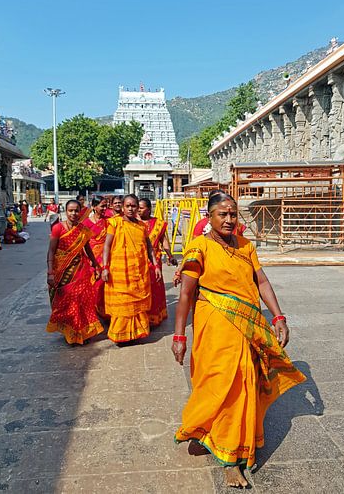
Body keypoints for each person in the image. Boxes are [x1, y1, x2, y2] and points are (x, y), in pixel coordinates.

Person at [172, 192, 306, 487]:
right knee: (217, 385)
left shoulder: (246, 246)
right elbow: (185, 295)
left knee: (243, 385)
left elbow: (262, 282)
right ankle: (214, 442)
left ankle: (228, 450)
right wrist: (179, 335)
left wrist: (278, 316)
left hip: (247, 329)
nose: (230, 219)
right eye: (223, 214)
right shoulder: (199, 247)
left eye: (233, 214)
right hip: (214, 330)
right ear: (210, 217)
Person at [101, 194, 162, 343]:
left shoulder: (141, 226)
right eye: (127, 206)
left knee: (136, 304)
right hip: (119, 271)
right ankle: (120, 335)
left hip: (139, 271)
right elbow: (107, 246)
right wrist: (105, 267)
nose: (130, 209)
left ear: (137, 208)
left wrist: (155, 265)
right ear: (122, 206)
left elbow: (148, 247)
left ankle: (135, 333)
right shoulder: (114, 223)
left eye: (133, 206)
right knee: (122, 303)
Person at [46, 200, 104, 345]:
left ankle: (82, 331)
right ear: (66, 211)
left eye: (76, 210)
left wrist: (96, 265)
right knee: (65, 302)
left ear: (81, 211)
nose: (73, 213)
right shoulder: (58, 228)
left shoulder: (83, 230)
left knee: (82, 300)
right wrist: (50, 272)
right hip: (61, 271)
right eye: (70, 210)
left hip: (80, 270)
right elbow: (51, 251)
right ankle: (70, 330)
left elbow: (88, 249)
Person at [138, 198, 178, 326]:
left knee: (155, 288)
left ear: (149, 209)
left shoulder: (159, 224)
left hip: (154, 260)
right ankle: (140, 317)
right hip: (138, 261)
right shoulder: (134, 223)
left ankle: (154, 317)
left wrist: (170, 256)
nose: (138, 210)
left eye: (141, 207)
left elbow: (164, 241)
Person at [83, 196, 108, 318]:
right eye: (102, 206)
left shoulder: (109, 221)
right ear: (94, 207)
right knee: (92, 287)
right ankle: (92, 313)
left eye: (106, 206)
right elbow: (83, 244)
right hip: (91, 259)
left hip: (106, 258)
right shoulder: (85, 223)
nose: (105, 208)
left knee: (104, 286)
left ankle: (104, 312)